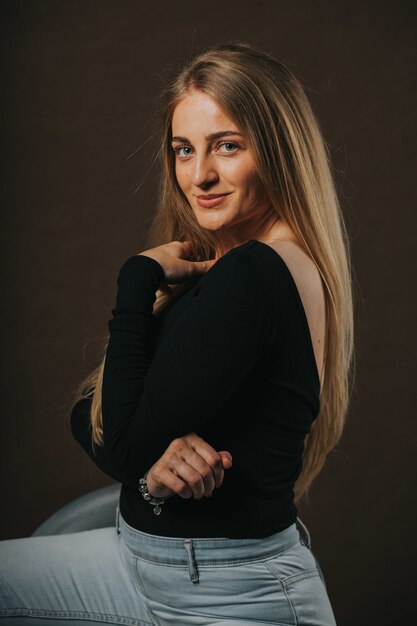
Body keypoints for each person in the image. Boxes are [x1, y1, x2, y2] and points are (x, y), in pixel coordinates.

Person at [0, 41, 354, 625]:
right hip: (137, 565)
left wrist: (136, 278)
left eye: (228, 147)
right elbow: (93, 414)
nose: (199, 175)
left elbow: (117, 441)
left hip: (231, 596)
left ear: (279, 150)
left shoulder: (259, 274)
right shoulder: (231, 266)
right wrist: (146, 465)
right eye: (183, 150)